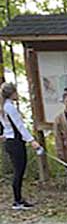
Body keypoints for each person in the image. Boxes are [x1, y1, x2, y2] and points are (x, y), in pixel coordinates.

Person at [0, 82, 40, 210]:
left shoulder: (4, 107)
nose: (17, 94)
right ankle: (17, 200)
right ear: (11, 93)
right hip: (16, 143)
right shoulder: (9, 107)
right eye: (15, 92)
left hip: (10, 141)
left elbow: (8, 127)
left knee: (19, 171)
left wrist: (5, 134)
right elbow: (19, 126)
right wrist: (32, 140)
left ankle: (18, 199)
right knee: (19, 171)